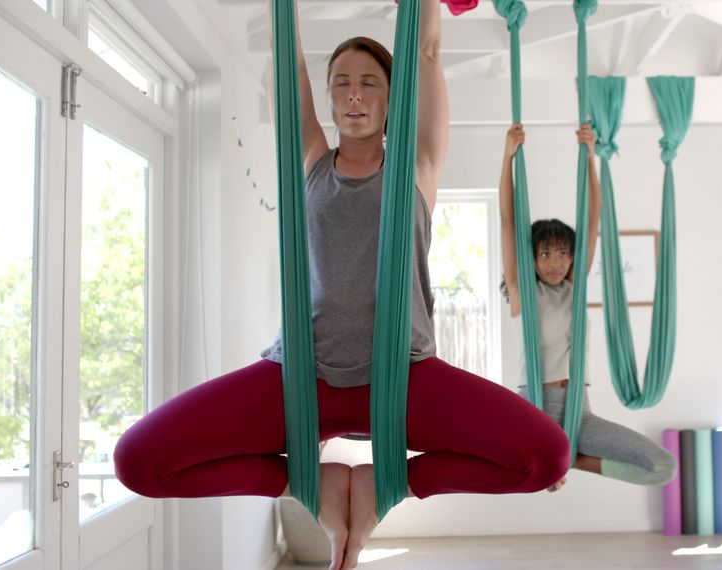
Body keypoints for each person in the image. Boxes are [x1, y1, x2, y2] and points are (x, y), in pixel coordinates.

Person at [114, 4, 569, 570]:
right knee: (140, 463)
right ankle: (313, 485)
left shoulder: (418, 167)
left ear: (390, 98)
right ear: (329, 98)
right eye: (341, 84)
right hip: (304, 377)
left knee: (545, 458)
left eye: (370, 83)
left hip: (403, 378)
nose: (354, 95)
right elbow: (287, 68)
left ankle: (390, 483)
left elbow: (426, 51)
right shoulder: (310, 162)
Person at [498, 123, 676, 491]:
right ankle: (550, 459)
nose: (554, 262)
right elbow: (506, 220)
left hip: (580, 408)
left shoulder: (574, 290)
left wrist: (590, 156)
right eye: (544, 253)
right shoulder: (523, 293)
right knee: (521, 469)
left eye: (562, 253)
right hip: (536, 405)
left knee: (662, 467)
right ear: (530, 258)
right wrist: (508, 157)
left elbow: (593, 221)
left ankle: (571, 461)